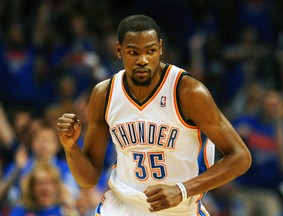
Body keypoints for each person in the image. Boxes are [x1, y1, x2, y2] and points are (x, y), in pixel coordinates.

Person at [57, 14, 252, 216]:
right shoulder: (104, 94)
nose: (143, 60)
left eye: (150, 51)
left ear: (160, 48)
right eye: (133, 52)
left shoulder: (188, 92)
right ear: (118, 50)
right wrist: (71, 147)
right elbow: (87, 179)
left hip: (178, 209)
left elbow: (241, 157)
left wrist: (181, 190)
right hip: (121, 207)